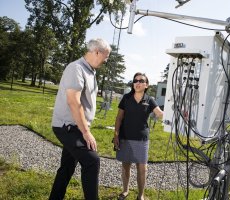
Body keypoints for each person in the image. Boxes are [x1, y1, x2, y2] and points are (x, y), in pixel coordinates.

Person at [49, 38, 111, 200]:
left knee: (67, 168)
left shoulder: (90, 71)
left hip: (76, 126)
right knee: (92, 161)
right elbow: (73, 101)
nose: (107, 59)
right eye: (106, 56)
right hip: (68, 126)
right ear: (97, 52)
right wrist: (86, 132)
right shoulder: (76, 68)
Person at [113, 72, 163, 200]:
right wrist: (116, 135)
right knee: (125, 166)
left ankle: (141, 195)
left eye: (141, 81)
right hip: (125, 137)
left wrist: (175, 112)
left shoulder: (150, 99)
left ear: (146, 85)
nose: (138, 83)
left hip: (141, 139)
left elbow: (159, 114)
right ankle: (125, 190)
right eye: (135, 80)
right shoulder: (126, 98)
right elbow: (119, 118)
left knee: (142, 168)